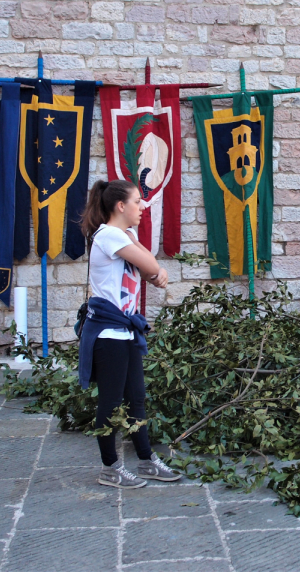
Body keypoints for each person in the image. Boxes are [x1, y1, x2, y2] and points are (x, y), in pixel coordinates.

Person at [79, 179, 182, 488]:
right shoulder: (109, 236)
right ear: (120, 206)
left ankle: (147, 461)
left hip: (125, 332)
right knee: (110, 403)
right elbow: (151, 265)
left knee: (137, 399)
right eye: (137, 201)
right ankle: (109, 469)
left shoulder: (125, 235)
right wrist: (154, 268)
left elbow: (150, 271)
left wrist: (154, 269)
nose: (143, 206)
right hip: (108, 335)